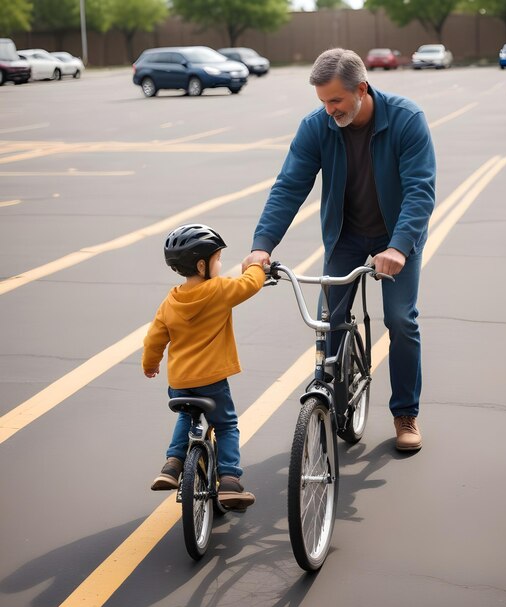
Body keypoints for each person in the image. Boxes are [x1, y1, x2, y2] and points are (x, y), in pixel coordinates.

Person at [242, 48, 435, 451]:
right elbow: (289, 187)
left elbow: (420, 191)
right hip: (346, 236)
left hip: (398, 237)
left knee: (401, 320)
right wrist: (262, 247)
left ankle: (405, 413)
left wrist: (399, 247)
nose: (329, 110)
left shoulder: (406, 119)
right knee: (327, 319)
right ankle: (329, 403)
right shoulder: (316, 127)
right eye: (323, 102)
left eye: (336, 100)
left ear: (361, 89)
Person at [143, 223, 265, 509]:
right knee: (226, 425)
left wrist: (150, 365)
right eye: (217, 259)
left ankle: (172, 465)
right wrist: (257, 266)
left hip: (179, 382)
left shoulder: (170, 301)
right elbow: (250, 285)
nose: (220, 264)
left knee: (186, 417)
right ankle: (230, 481)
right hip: (212, 381)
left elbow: (154, 340)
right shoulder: (219, 290)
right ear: (202, 265)